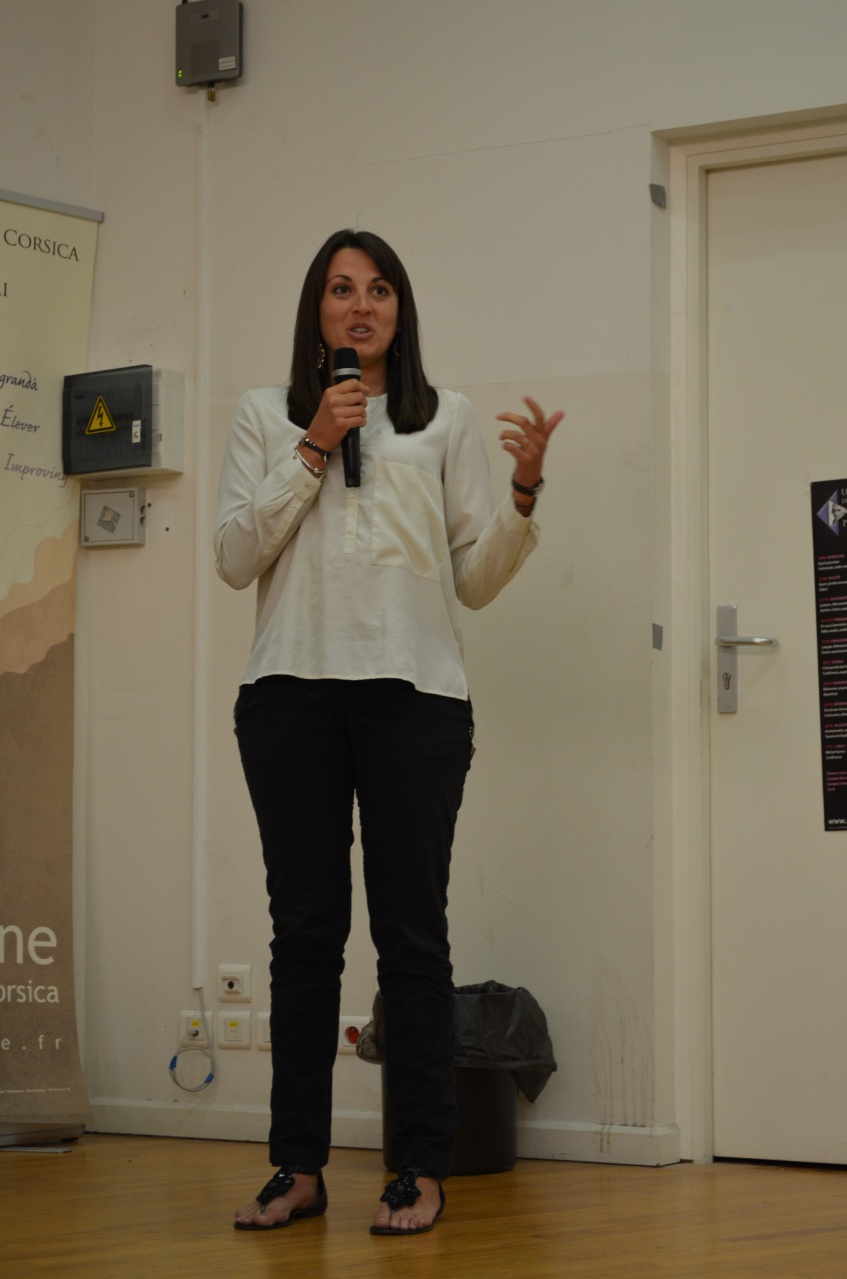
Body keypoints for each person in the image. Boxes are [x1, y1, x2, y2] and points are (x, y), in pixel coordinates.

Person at [215, 228, 562, 1236]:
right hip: (290, 695)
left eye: (377, 290)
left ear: (400, 311)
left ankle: (417, 1166)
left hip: (415, 696)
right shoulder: (265, 414)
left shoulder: (443, 417)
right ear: (315, 311)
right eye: (340, 289)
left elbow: (475, 579)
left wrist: (524, 492)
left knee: (411, 935)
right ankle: (296, 1167)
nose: (359, 306)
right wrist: (314, 442)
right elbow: (235, 556)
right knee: (304, 936)